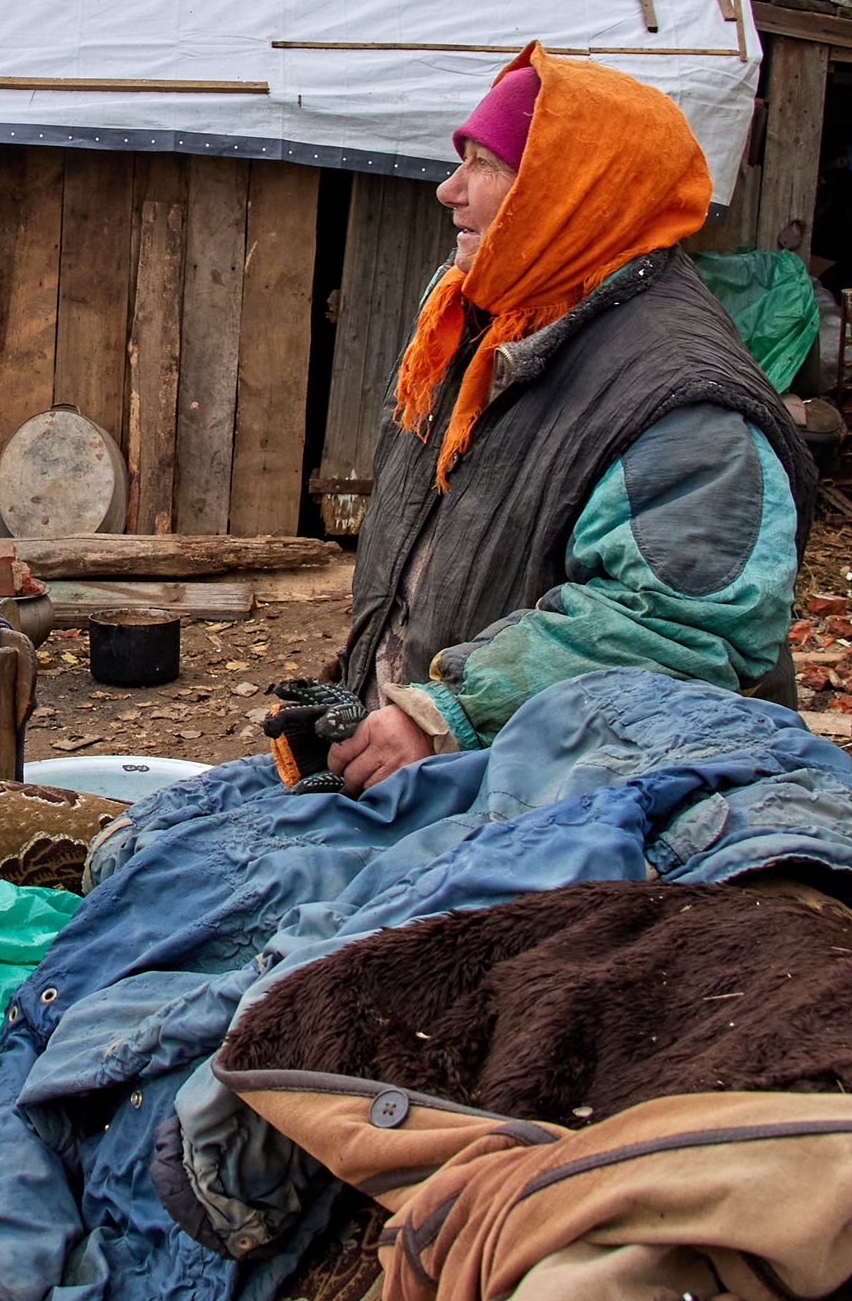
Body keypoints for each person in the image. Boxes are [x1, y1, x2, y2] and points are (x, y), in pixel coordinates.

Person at [325, 43, 818, 794]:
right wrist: (370, 682)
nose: (449, 190)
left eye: (486, 164)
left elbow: (680, 628)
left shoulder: (679, 399)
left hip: (577, 805)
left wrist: (446, 713)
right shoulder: (481, 319)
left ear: (571, 189)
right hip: (460, 773)